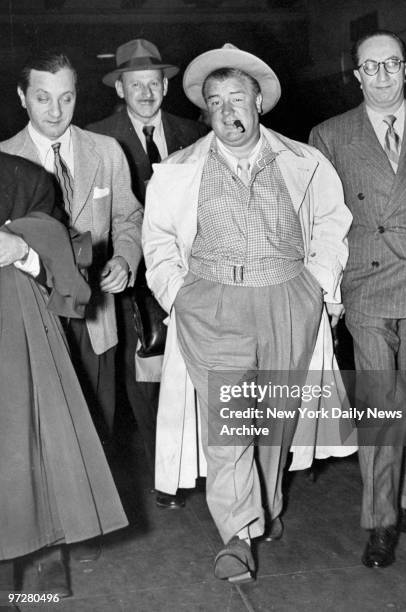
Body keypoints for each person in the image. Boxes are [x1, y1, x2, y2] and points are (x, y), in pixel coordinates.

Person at [143, 43, 351, 583]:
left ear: (259, 102)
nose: (227, 109)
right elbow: (159, 239)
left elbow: (332, 222)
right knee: (231, 425)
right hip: (212, 304)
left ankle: (266, 507)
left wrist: (317, 283)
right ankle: (236, 534)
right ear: (205, 111)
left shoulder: (305, 162)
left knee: (275, 422)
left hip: (288, 298)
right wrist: (178, 293)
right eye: (215, 101)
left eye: (237, 97)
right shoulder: (179, 171)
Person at [309, 29, 406, 568]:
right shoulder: (329, 134)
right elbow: (323, 219)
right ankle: (380, 519)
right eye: (370, 67)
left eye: (391, 64)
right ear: (356, 75)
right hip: (367, 281)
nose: (381, 76)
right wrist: (329, 288)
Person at [0, 152, 128, 602]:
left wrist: (24, 252)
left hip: (11, 338)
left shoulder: (23, 179)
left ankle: (23, 575)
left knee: (18, 454)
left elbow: (65, 271)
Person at [87, 39, 208, 509]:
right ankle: (165, 474)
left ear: (165, 86)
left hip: (188, 274)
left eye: (153, 84)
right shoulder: (97, 137)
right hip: (129, 282)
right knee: (143, 381)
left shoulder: (193, 132)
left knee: (188, 374)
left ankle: (193, 464)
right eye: (135, 85)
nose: (145, 93)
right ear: (120, 87)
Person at [0, 51, 143, 445]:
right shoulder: (5, 159)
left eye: (66, 97)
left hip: (95, 316)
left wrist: (124, 258)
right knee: (45, 438)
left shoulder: (107, 150)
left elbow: (129, 218)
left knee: (100, 432)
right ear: (21, 96)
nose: (56, 109)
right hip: (32, 316)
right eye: (43, 97)